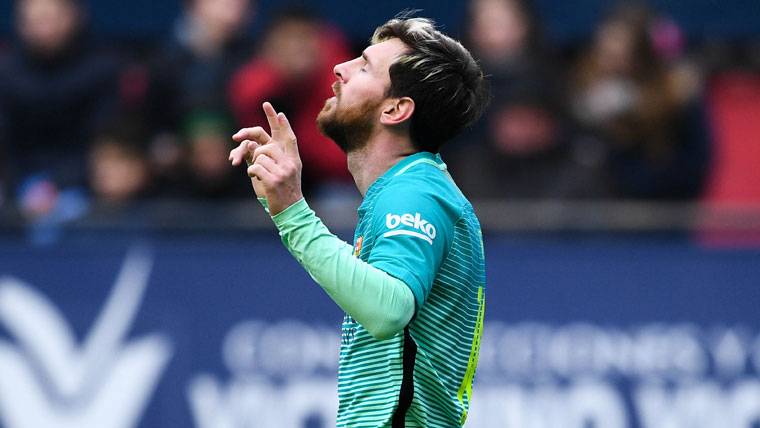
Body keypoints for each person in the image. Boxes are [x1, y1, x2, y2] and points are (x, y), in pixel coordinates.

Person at [229, 16, 488, 427]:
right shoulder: (407, 188)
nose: (340, 68)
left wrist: (293, 211)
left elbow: (388, 309)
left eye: (364, 66)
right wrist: (283, 203)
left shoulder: (414, 193)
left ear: (396, 109)